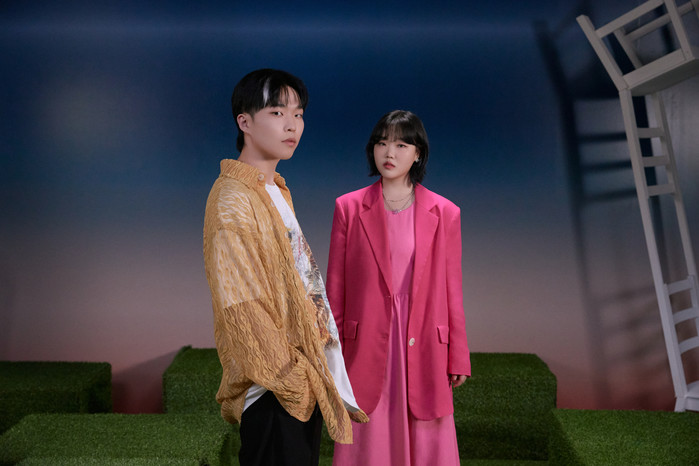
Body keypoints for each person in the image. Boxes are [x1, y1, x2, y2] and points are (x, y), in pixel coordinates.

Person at [203, 68, 367, 466]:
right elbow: (241, 304)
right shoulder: (232, 199)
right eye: (277, 112)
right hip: (273, 387)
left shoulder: (273, 187)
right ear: (244, 122)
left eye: (298, 114)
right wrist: (292, 379)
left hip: (303, 375)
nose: (292, 124)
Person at [328, 110, 470, 465]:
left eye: (401, 145)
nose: (389, 153)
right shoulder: (347, 208)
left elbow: (453, 289)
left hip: (425, 339)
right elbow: (335, 290)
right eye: (382, 143)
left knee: (426, 425)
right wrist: (329, 353)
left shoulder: (445, 212)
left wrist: (458, 354)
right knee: (369, 430)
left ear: (418, 153)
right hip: (364, 340)